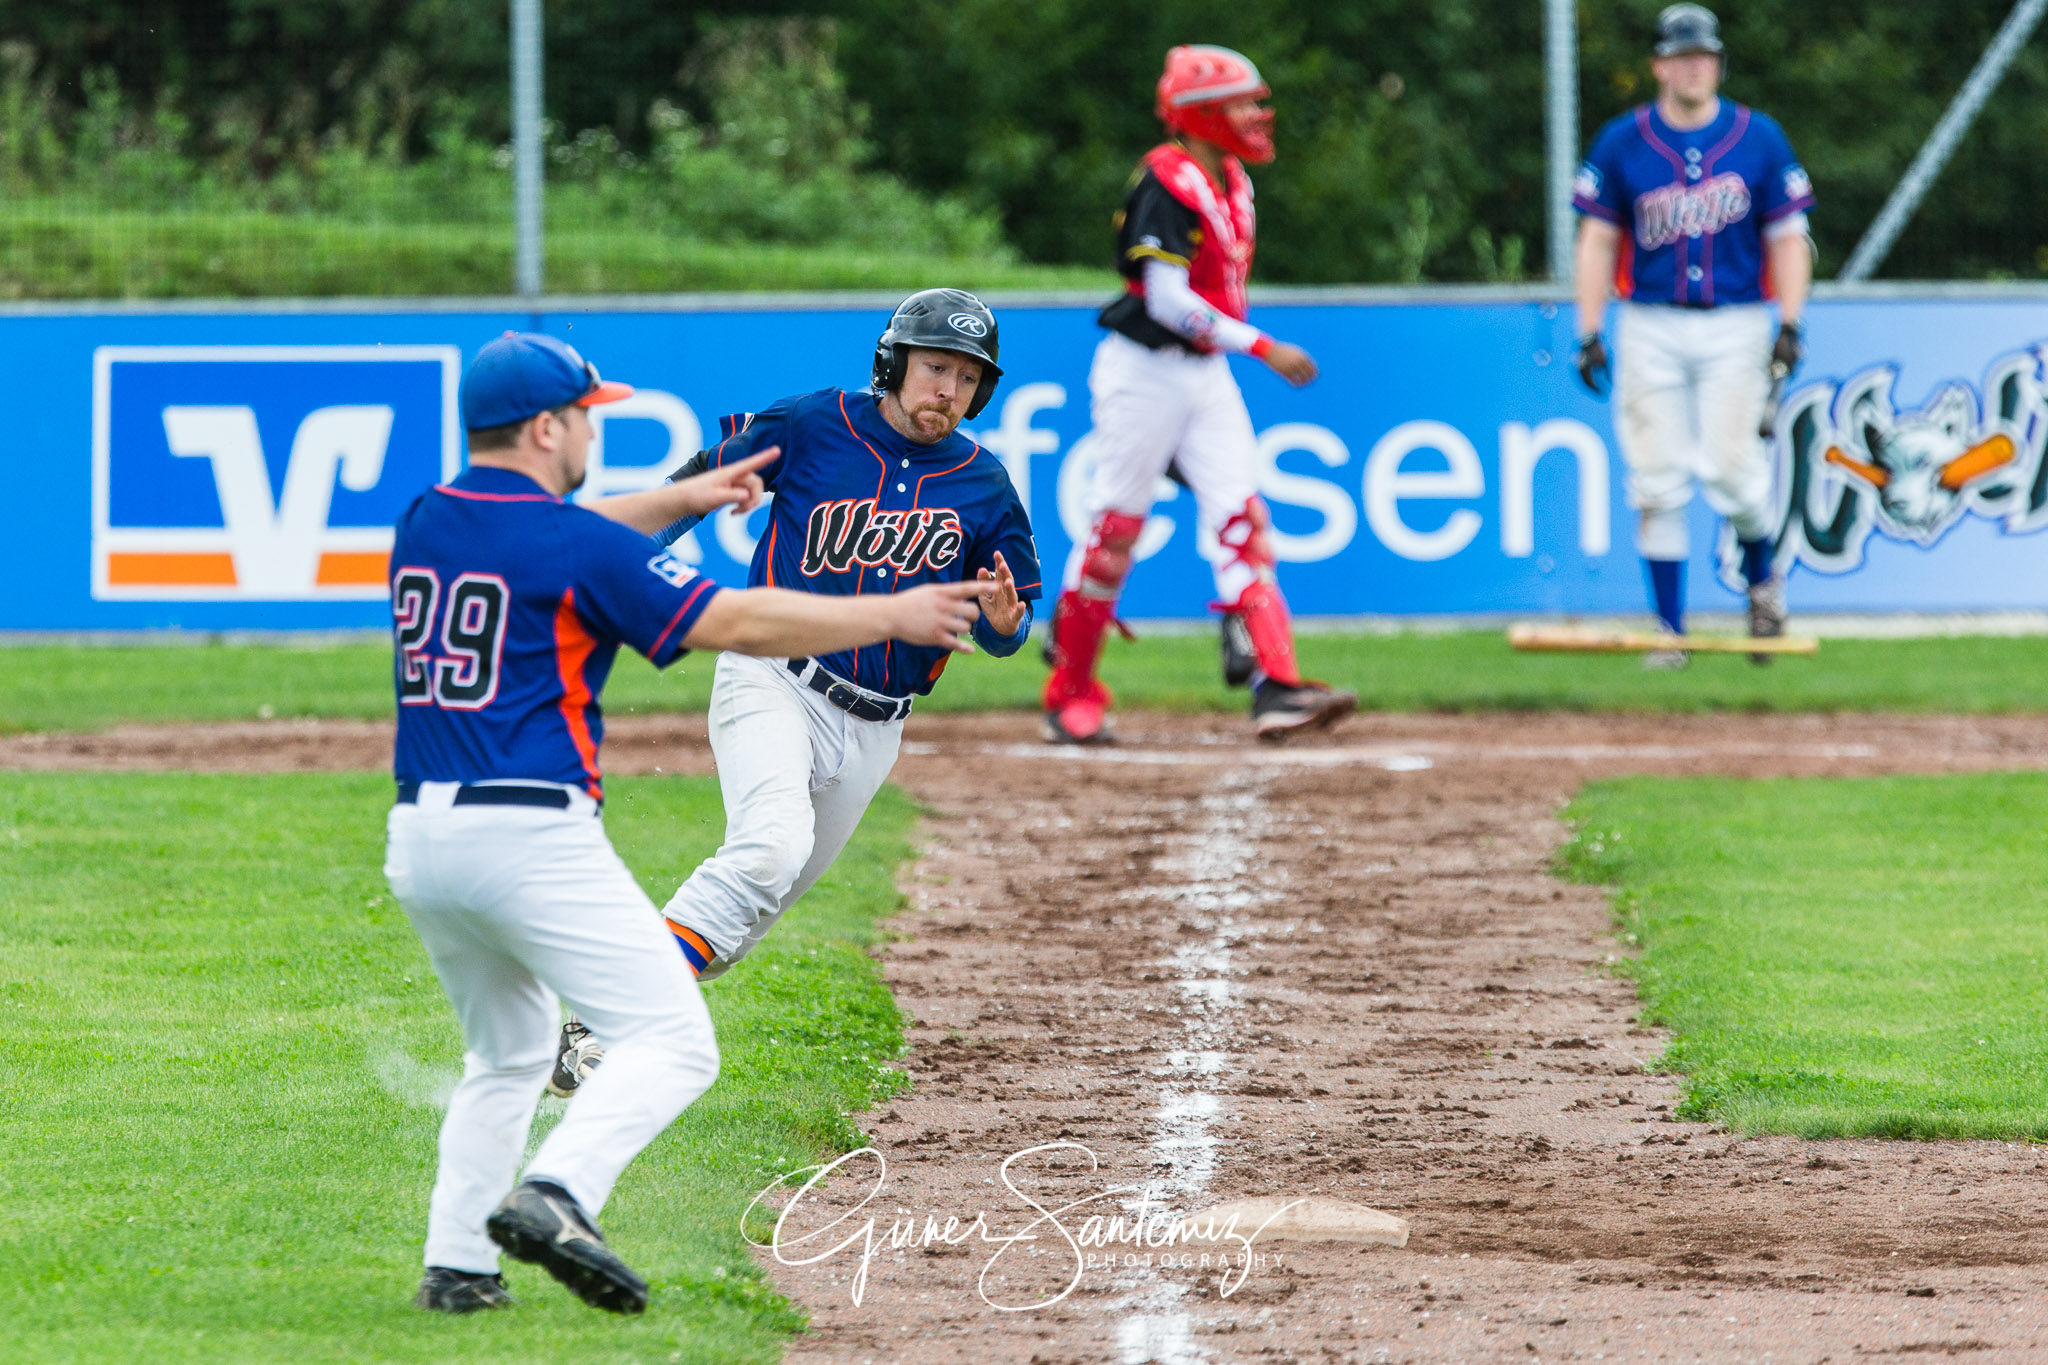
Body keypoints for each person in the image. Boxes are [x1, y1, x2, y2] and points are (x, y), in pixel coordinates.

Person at [388, 331, 989, 1316]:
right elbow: (741, 621)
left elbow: (570, 534)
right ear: (546, 429)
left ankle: (458, 1269)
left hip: (420, 840)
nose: (592, 430)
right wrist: (892, 616)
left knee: (503, 1054)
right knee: (673, 1043)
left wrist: (682, 500)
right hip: (527, 837)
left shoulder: (430, 519)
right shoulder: (576, 545)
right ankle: (559, 1193)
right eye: (585, 415)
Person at [545, 288, 1036, 1068]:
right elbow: (696, 483)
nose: (950, 388)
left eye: (968, 377)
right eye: (936, 366)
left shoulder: (985, 482)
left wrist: (1007, 623)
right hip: (773, 675)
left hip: (879, 725)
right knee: (768, 850)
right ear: (895, 361)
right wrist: (616, 571)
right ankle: (604, 1027)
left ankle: (599, 1007)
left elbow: (1012, 630)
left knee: (743, 917)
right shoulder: (816, 423)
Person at [1040, 43, 1356, 745]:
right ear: (1203, 115)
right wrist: (1262, 345)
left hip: (1204, 373)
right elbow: (1165, 298)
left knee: (1243, 517)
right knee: (1114, 532)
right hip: (1143, 372)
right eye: (1243, 102)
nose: (1257, 114)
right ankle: (1071, 690)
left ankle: (1276, 685)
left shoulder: (1234, 180)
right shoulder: (1168, 183)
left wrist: (1238, 344)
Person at [1571, 4, 1815, 668]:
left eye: (1703, 55)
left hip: (1736, 319)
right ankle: (1670, 630)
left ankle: (1763, 592)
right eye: (1681, 55)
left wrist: (1789, 322)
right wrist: (1588, 328)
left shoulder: (1758, 137)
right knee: (1656, 479)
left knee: (1736, 474)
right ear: (1659, 65)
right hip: (1650, 319)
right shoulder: (1623, 142)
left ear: (1718, 63)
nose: (1693, 66)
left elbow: (1789, 239)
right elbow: (1597, 239)